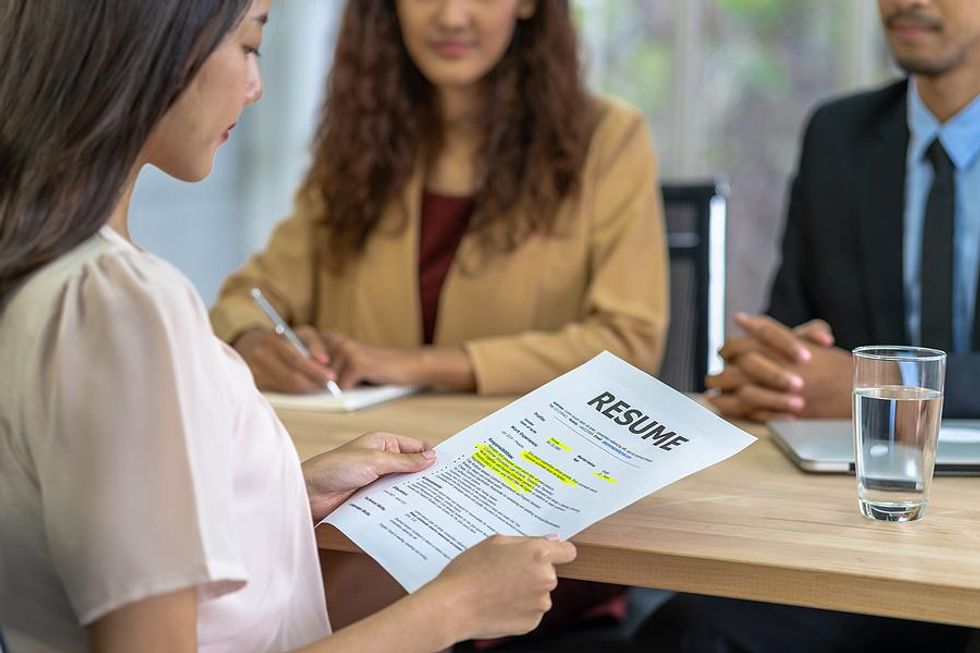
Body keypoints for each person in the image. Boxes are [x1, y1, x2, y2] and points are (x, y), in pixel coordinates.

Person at [0, 1, 578, 652]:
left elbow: (94, 518)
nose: (256, 85)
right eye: (249, 46)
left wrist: (279, 490)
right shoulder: (119, 309)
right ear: (161, 46)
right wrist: (457, 605)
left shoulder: (44, 275)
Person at [647, 1, 978, 651]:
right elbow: (793, 333)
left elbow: (840, 378)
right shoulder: (839, 134)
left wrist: (871, 382)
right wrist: (775, 369)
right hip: (854, 515)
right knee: (706, 626)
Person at [209, 0, 669, 397]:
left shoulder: (608, 139)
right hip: (364, 457)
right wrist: (255, 341)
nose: (450, 17)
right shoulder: (362, 141)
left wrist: (415, 364)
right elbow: (247, 299)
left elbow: (629, 344)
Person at [707, 0, 980, 423]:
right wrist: (778, 367)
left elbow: (852, 383)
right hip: (857, 467)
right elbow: (793, 321)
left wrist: (885, 385)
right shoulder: (838, 136)